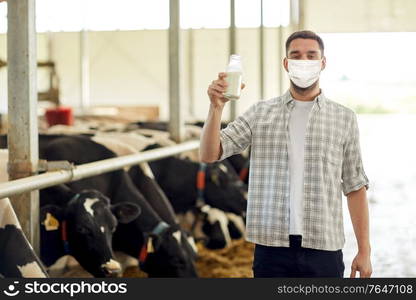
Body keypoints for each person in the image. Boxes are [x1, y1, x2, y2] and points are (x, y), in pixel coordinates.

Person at [199, 30, 372, 278]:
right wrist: (216, 108)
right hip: (271, 249)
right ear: (286, 63)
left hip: (324, 247)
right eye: (296, 55)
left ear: (323, 63)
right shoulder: (260, 113)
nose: (303, 61)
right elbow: (209, 154)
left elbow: (355, 186)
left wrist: (364, 251)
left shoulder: (343, 118)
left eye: (311, 55)